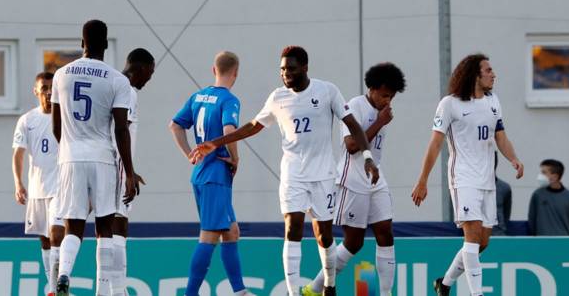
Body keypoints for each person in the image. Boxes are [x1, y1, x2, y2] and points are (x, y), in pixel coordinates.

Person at [189, 46, 379, 296]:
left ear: (304, 68)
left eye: (290, 68)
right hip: (293, 176)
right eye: (282, 69)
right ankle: (292, 292)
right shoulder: (278, 97)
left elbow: (352, 125)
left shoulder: (326, 91)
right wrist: (217, 142)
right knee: (293, 230)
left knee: (324, 235)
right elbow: (253, 126)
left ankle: (330, 286)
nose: (285, 73)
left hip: (323, 176)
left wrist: (367, 157)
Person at [410, 53, 524, 296]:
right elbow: (434, 144)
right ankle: (476, 294)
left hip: (487, 180)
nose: (494, 74)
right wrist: (423, 180)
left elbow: (500, 136)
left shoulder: (493, 101)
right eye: (489, 70)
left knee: (481, 243)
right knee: (471, 237)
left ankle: (446, 284)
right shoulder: (450, 104)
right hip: (463, 178)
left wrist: (513, 158)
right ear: (475, 74)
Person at [303, 62, 406, 296]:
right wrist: (380, 122)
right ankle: (314, 288)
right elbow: (351, 146)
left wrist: (381, 120)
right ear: (372, 88)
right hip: (353, 181)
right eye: (384, 95)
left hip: (375, 178)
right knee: (354, 242)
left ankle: (386, 293)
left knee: (385, 232)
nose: (387, 101)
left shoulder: (382, 111)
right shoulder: (354, 106)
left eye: (391, 97)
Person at [51, 19, 136, 296]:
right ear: (105, 45)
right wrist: (130, 172)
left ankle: (63, 275)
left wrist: (70, 150)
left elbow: (56, 127)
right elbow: (122, 129)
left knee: (73, 226)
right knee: (104, 228)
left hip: (70, 157)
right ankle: (102, 291)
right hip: (102, 157)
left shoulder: (61, 75)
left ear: (82, 43)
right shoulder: (116, 79)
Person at [169, 51, 254, 296]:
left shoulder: (198, 96)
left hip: (202, 172)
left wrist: (189, 153)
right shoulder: (230, 100)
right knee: (209, 234)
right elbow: (230, 129)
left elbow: (174, 125)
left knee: (231, 231)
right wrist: (235, 158)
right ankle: (191, 293)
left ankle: (239, 291)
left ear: (213, 70)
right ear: (236, 73)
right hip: (216, 173)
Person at [12, 72, 65, 296]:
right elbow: (18, 154)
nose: (49, 91)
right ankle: (52, 287)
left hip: (61, 188)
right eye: (44, 87)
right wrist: (18, 183)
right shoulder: (27, 120)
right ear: (36, 91)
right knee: (44, 240)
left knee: (56, 235)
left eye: (52, 87)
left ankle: (54, 289)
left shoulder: (64, 117)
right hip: (37, 189)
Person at [110, 48, 155, 295]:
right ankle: (118, 289)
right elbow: (121, 130)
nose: (149, 79)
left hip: (100, 162)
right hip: (116, 166)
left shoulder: (110, 84)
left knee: (105, 228)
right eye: (150, 73)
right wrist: (129, 171)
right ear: (140, 69)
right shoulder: (127, 91)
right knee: (119, 225)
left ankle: (108, 286)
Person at [528, 159, 569, 236]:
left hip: (564, 243)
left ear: (555, 176)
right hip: (542, 243)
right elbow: (532, 221)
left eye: (544, 173)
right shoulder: (537, 195)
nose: (540, 176)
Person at [493, 152, 512, 236]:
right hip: (475, 236)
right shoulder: (470, 188)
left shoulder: (504, 188)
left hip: (498, 234)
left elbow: (506, 214)